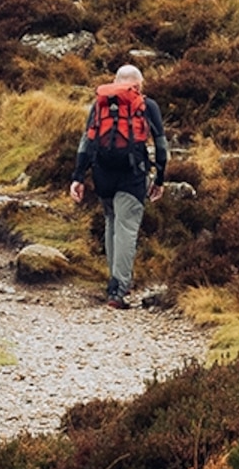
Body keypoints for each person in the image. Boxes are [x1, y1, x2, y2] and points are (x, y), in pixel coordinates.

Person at [69, 62, 169, 308]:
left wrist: (78, 177)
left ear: (115, 82)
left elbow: (86, 142)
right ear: (138, 84)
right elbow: (161, 144)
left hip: (102, 174)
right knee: (126, 228)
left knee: (112, 222)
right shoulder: (147, 105)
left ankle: (114, 282)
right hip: (132, 175)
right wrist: (160, 178)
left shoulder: (100, 104)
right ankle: (118, 290)